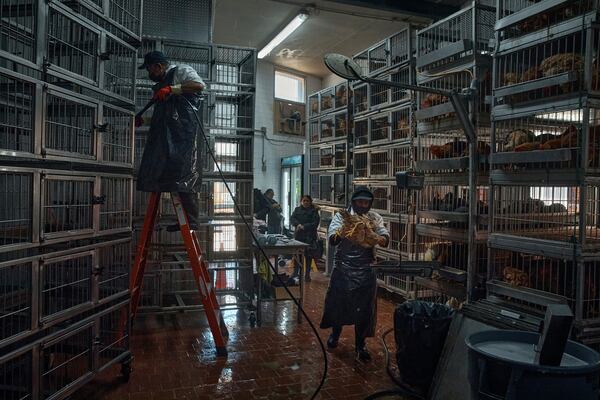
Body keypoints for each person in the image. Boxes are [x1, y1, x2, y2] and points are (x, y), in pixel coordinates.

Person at [135, 51, 205, 231]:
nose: (149, 73)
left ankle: (191, 221)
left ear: (158, 66)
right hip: (170, 136)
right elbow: (165, 116)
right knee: (165, 172)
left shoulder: (181, 71)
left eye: (150, 69)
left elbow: (198, 86)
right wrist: (146, 121)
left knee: (184, 175)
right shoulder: (160, 86)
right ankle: (182, 219)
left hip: (184, 135)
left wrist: (172, 89)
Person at [320, 186, 389, 361]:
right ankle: (335, 334)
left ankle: (360, 344)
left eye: (366, 202)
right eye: (360, 201)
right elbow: (332, 241)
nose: (363, 205)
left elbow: (384, 237)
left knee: (364, 310)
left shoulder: (374, 218)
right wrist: (342, 231)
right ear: (353, 202)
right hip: (343, 269)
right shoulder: (341, 217)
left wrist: (380, 238)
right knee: (338, 305)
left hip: (366, 270)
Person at [290, 195, 320, 282]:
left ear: (310, 202)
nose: (306, 202)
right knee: (297, 255)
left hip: (309, 236)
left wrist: (304, 226)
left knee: (308, 256)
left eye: (307, 201)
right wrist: (297, 224)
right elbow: (292, 218)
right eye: (304, 201)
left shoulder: (314, 211)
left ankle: (307, 275)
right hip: (299, 236)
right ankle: (295, 272)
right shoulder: (297, 209)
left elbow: (315, 223)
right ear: (301, 202)